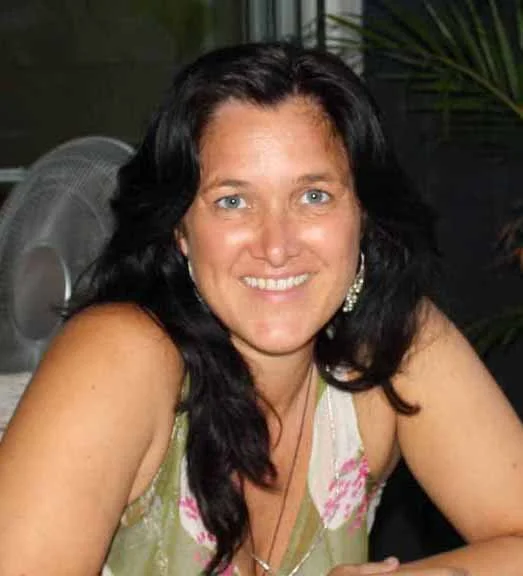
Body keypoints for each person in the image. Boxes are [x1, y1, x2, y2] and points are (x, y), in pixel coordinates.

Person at [0, 42, 522, 576]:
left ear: (362, 213)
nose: (276, 246)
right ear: (180, 229)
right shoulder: (119, 356)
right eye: (233, 201)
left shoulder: (394, 344)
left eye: (313, 196)